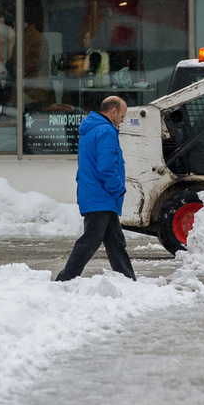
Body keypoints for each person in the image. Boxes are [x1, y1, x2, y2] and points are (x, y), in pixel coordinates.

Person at [54, 96, 136, 282]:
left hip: (97, 195)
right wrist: (117, 189)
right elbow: (106, 166)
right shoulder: (106, 131)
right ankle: (65, 279)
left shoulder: (91, 130)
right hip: (102, 195)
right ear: (113, 112)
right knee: (90, 241)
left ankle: (128, 279)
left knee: (115, 242)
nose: (122, 120)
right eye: (122, 116)